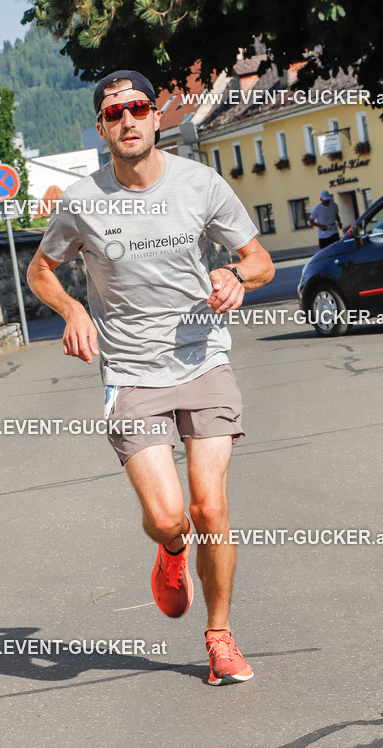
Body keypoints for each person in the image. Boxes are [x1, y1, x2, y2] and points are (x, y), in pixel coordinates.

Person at [27, 69, 274, 686]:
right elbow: (40, 271)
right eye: (114, 113)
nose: (128, 120)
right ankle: (169, 550)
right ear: (103, 127)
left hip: (204, 359)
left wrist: (235, 277)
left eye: (138, 107)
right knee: (170, 518)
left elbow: (259, 259)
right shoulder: (81, 202)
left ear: (156, 116)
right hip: (132, 372)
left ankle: (219, 637)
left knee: (210, 508)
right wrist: (74, 309)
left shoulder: (201, 183)